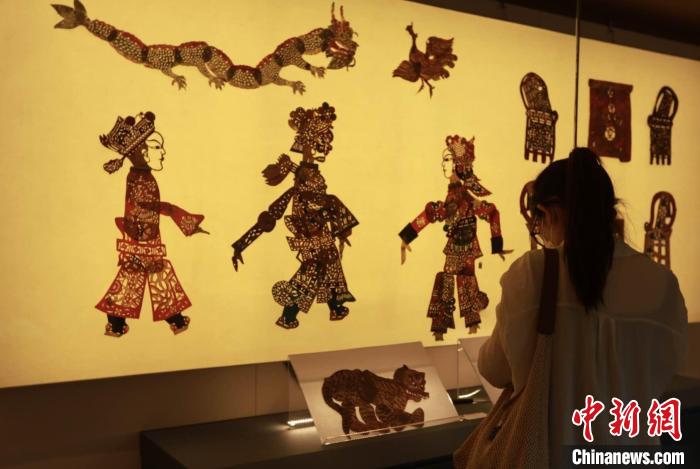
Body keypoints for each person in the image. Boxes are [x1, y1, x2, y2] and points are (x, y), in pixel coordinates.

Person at [476, 148, 687, 465]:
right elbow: (666, 370)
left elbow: (494, 368)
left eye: (538, 225)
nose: (541, 235)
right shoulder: (663, 283)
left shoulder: (532, 273)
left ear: (550, 213)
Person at [231, 103, 358, 329]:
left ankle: (335, 308)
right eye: (319, 143)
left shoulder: (312, 180)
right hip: (309, 237)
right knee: (311, 274)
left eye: (325, 143)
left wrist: (339, 229)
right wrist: (242, 244)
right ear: (307, 144)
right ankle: (288, 315)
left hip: (323, 236)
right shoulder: (300, 187)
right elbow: (272, 216)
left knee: (330, 270)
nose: (324, 149)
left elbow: (326, 203)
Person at [95, 112, 208, 337]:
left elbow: (151, 206)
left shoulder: (141, 175)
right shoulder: (140, 178)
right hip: (142, 235)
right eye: (157, 147)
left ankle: (120, 323)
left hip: (143, 234)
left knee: (143, 276)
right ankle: (169, 320)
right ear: (141, 153)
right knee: (147, 275)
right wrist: (184, 220)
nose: (163, 152)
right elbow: (149, 206)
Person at [399, 135, 511, 340]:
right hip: (456, 244)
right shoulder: (454, 194)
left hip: (467, 245)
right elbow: (435, 213)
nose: (443, 164)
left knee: (460, 280)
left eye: (447, 159)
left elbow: (491, 212)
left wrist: (497, 244)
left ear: (458, 166)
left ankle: (460, 326)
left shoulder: (463, 197)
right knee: (453, 279)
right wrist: (406, 237)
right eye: (444, 159)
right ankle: (450, 327)